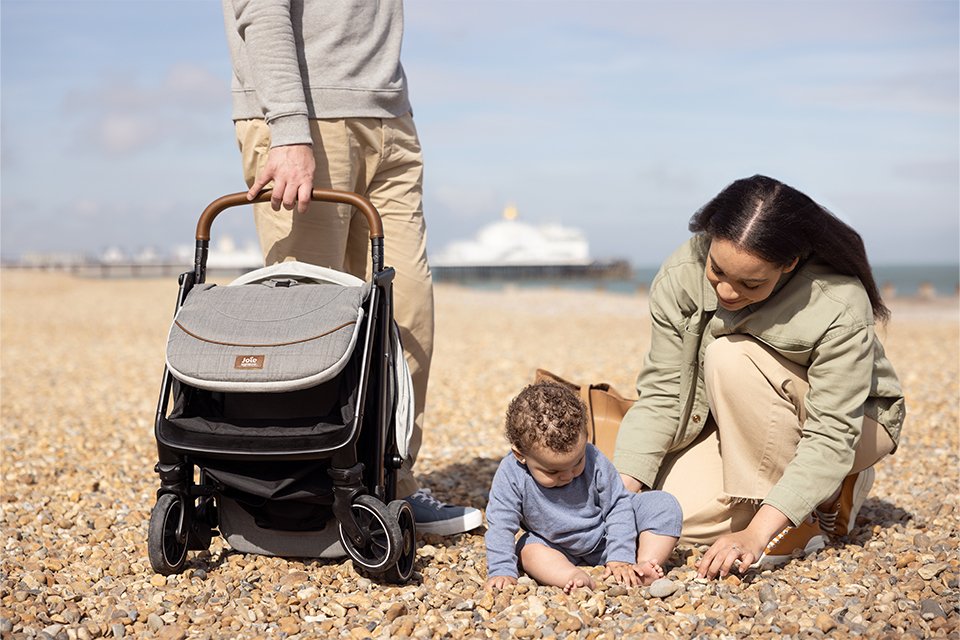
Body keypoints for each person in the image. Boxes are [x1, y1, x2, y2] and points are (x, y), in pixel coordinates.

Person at [220, 0, 481, 535]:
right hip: (306, 119)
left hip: (390, 117)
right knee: (305, 328)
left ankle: (390, 487)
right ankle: (296, 501)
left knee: (406, 315)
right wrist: (289, 130)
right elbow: (260, 9)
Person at [613, 175, 905, 579]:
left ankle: (798, 515)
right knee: (667, 513)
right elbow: (663, 393)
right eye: (717, 271)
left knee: (729, 355)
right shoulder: (681, 274)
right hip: (750, 423)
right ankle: (812, 497)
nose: (728, 292)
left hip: (855, 428)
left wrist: (755, 536)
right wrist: (617, 493)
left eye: (751, 283)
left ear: (790, 263)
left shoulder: (838, 302)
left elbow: (832, 434)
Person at [485, 382, 681, 592]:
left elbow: (617, 506)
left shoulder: (594, 457)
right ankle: (570, 575)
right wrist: (501, 569)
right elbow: (501, 523)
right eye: (553, 472)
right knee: (527, 548)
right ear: (520, 455)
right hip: (555, 545)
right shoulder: (511, 474)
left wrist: (620, 556)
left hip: (607, 534)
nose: (569, 475)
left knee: (663, 504)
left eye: (577, 462)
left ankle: (643, 567)